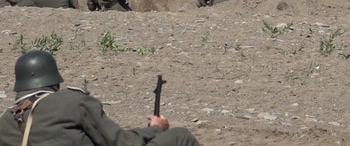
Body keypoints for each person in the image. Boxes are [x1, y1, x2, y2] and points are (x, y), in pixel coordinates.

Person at [0, 50, 201, 146]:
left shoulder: (6, 121)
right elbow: (120, 143)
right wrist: (156, 129)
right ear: (54, 81)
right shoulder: (71, 102)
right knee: (180, 136)